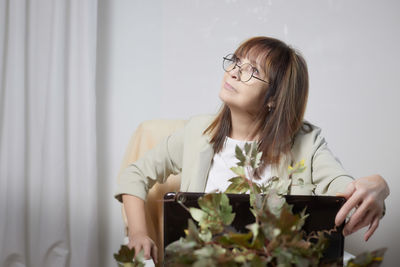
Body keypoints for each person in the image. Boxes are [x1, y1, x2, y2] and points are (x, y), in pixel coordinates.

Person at [115, 36, 389, 263]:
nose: (233, 71)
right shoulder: (198, 132)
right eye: (236, 61)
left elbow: (345, 194)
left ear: (274, 98)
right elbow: (135, 174)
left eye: (253, 70)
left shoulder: (306, 142)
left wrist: (378, 186)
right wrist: (139, 232)